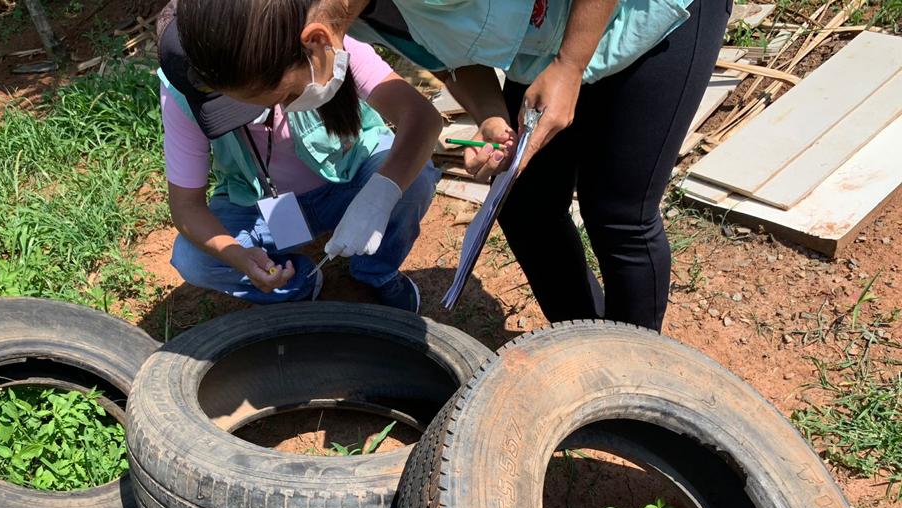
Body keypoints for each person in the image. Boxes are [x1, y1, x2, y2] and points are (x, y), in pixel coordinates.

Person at [343, 0, 730, 331]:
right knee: (525, 204)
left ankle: (634, 375)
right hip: (550, 44)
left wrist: (570, 65)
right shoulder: (367, 14)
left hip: (651, 15)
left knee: (618, 215)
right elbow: (447, 56)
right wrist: (492, 118)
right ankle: (586, 343)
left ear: (318, 37)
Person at [158, 0, 443, 312]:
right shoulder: (182, 90)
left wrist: (380, 195)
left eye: (286, 96)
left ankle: (375, 274)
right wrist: (237, 255)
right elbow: (186, 207)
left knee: (414, 177)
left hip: (348, 181)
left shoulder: (320, 41)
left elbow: (420, 118)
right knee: (192, 258)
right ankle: (303, 285)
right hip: (262, 206)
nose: (268, 108)